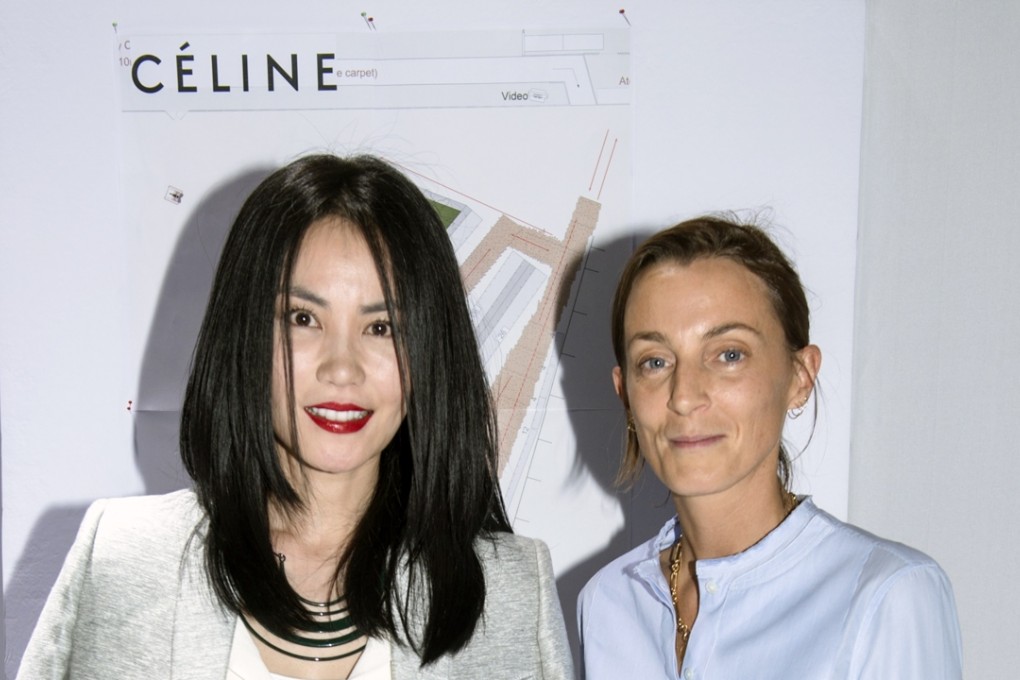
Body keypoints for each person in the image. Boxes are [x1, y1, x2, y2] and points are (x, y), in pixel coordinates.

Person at [19, 154, 574, 680]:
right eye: (303, 318)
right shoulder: (120, 556)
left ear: (428, 355)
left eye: (382, 328)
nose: (342, 368)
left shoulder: (510, 589)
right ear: (245, 336)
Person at [577, 216, 962, 679]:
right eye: (655, 362)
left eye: (728, 354)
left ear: (800, 377)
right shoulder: (608, 603)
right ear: (625, 392)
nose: (684, 395)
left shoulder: (885, 595)